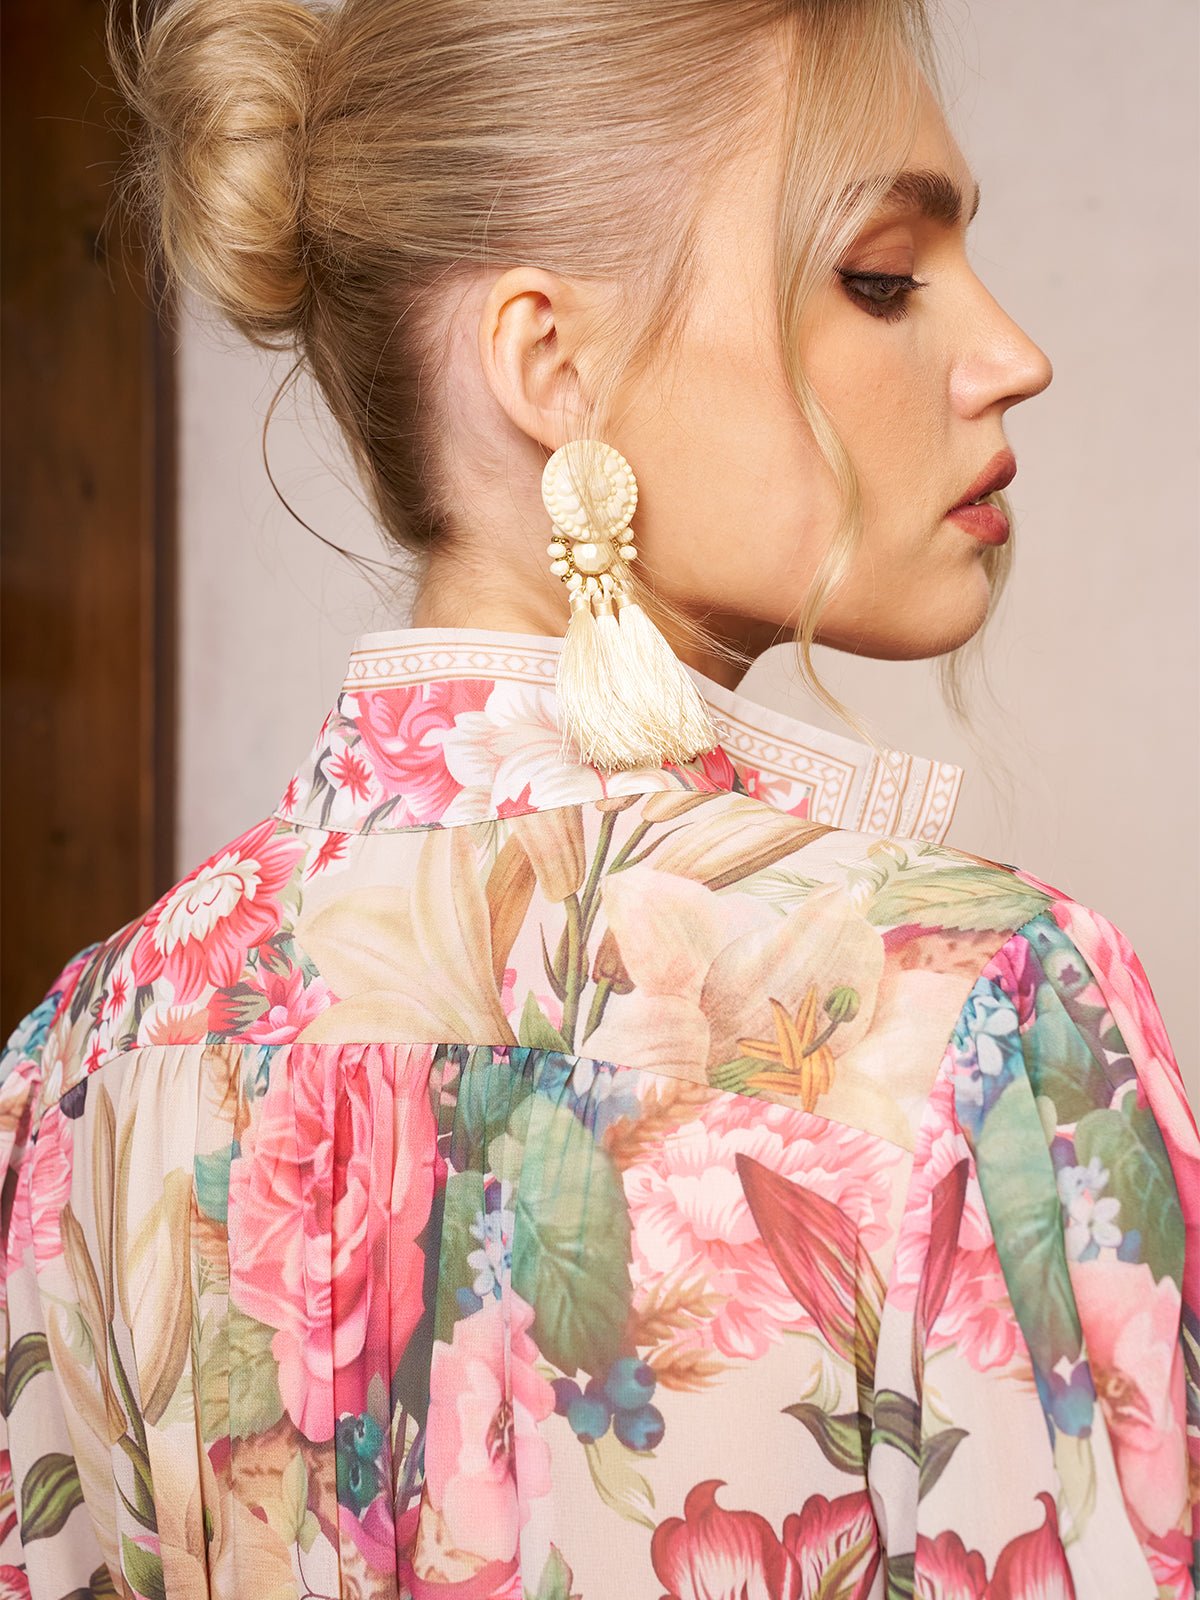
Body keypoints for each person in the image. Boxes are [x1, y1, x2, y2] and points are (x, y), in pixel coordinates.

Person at [1, 0, 1195, 1595]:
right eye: (884, 277)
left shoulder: (82, 1061)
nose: (1013, 356)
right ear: (553, 366)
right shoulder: (980, 1017)